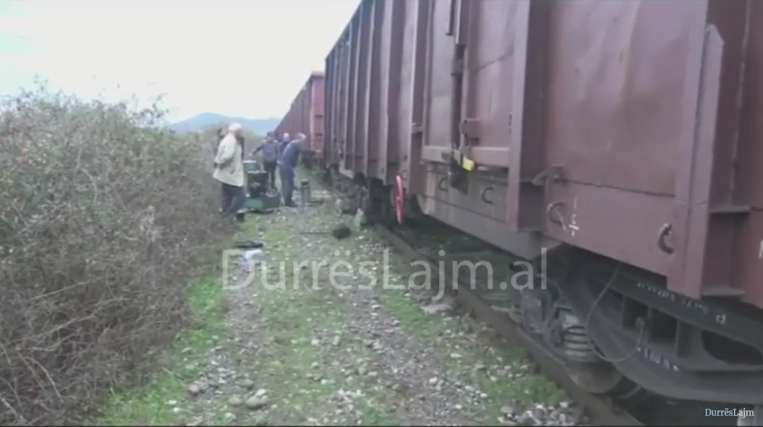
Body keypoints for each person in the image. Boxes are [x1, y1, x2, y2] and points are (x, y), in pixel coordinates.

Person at [213, 123, 246, 223]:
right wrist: (219, 163)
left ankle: (223, 220)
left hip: (225, 174)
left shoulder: (228, 139)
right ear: (237, 131)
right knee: (241, 197)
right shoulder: (231, 140)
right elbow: (228, 156)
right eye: (241, 131)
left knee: (227, 197)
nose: (242, 133)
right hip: (230, 174)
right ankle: (228, 216)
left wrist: (218, 163)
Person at [279, 132, 304, 207]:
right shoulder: (295, 143)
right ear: (299, 139)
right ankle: (288, 201)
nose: (304, 141)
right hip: (287, 165)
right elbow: (304, 150)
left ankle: (286, 200)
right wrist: (315, 151)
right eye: (303, 139)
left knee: (285, 183)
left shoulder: (292, 144)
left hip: (284, 164)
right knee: (289, 183)